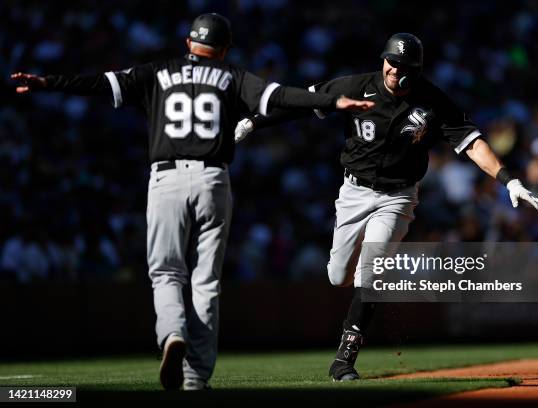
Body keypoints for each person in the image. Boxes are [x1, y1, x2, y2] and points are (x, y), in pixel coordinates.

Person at [11, 13, 374, 391]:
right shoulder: (230, 75)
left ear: (189, 43)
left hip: (166, 178)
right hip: (213, 179)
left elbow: (99, 84)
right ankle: (195, 376)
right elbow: (280, 96)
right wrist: (332, 102)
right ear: (225, 48)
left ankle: (171, 333)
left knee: (167, 272)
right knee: (206, 281)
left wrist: (47, 82)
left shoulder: (158, 72)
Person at [234, 32, 538, 381]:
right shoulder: (356, 86)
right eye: (391, 62)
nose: (394, 70)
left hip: (398, 196)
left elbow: (472, 144)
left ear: (417, 70)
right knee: (337, 275)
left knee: (371, 269)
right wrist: (256, 121)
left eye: (403, 66)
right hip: (353, 191)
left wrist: (509, 180)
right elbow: (304, 102)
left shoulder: (431, 100)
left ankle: (344, 359)